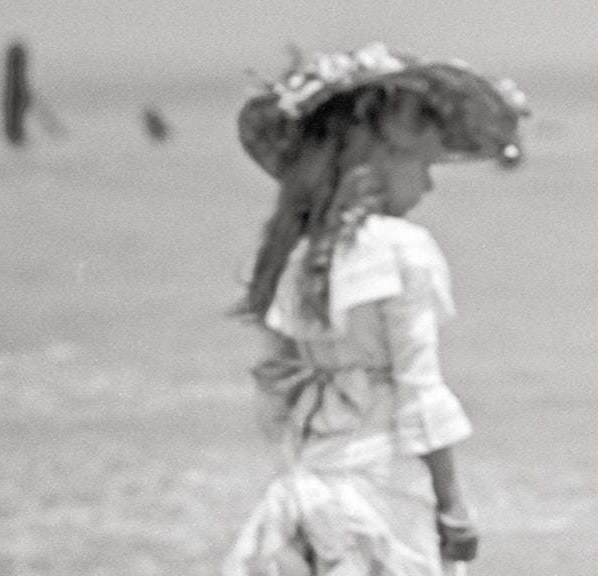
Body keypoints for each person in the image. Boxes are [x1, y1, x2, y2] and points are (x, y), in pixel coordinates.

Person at [223, 43, 527, 576]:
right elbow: (420, 389)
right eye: (426, 163)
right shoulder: (401, 248)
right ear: (382, 157)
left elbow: (278, 395)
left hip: (307, 490)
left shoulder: (298, 254)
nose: (430, 184)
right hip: (381, 491)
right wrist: (453, 505)